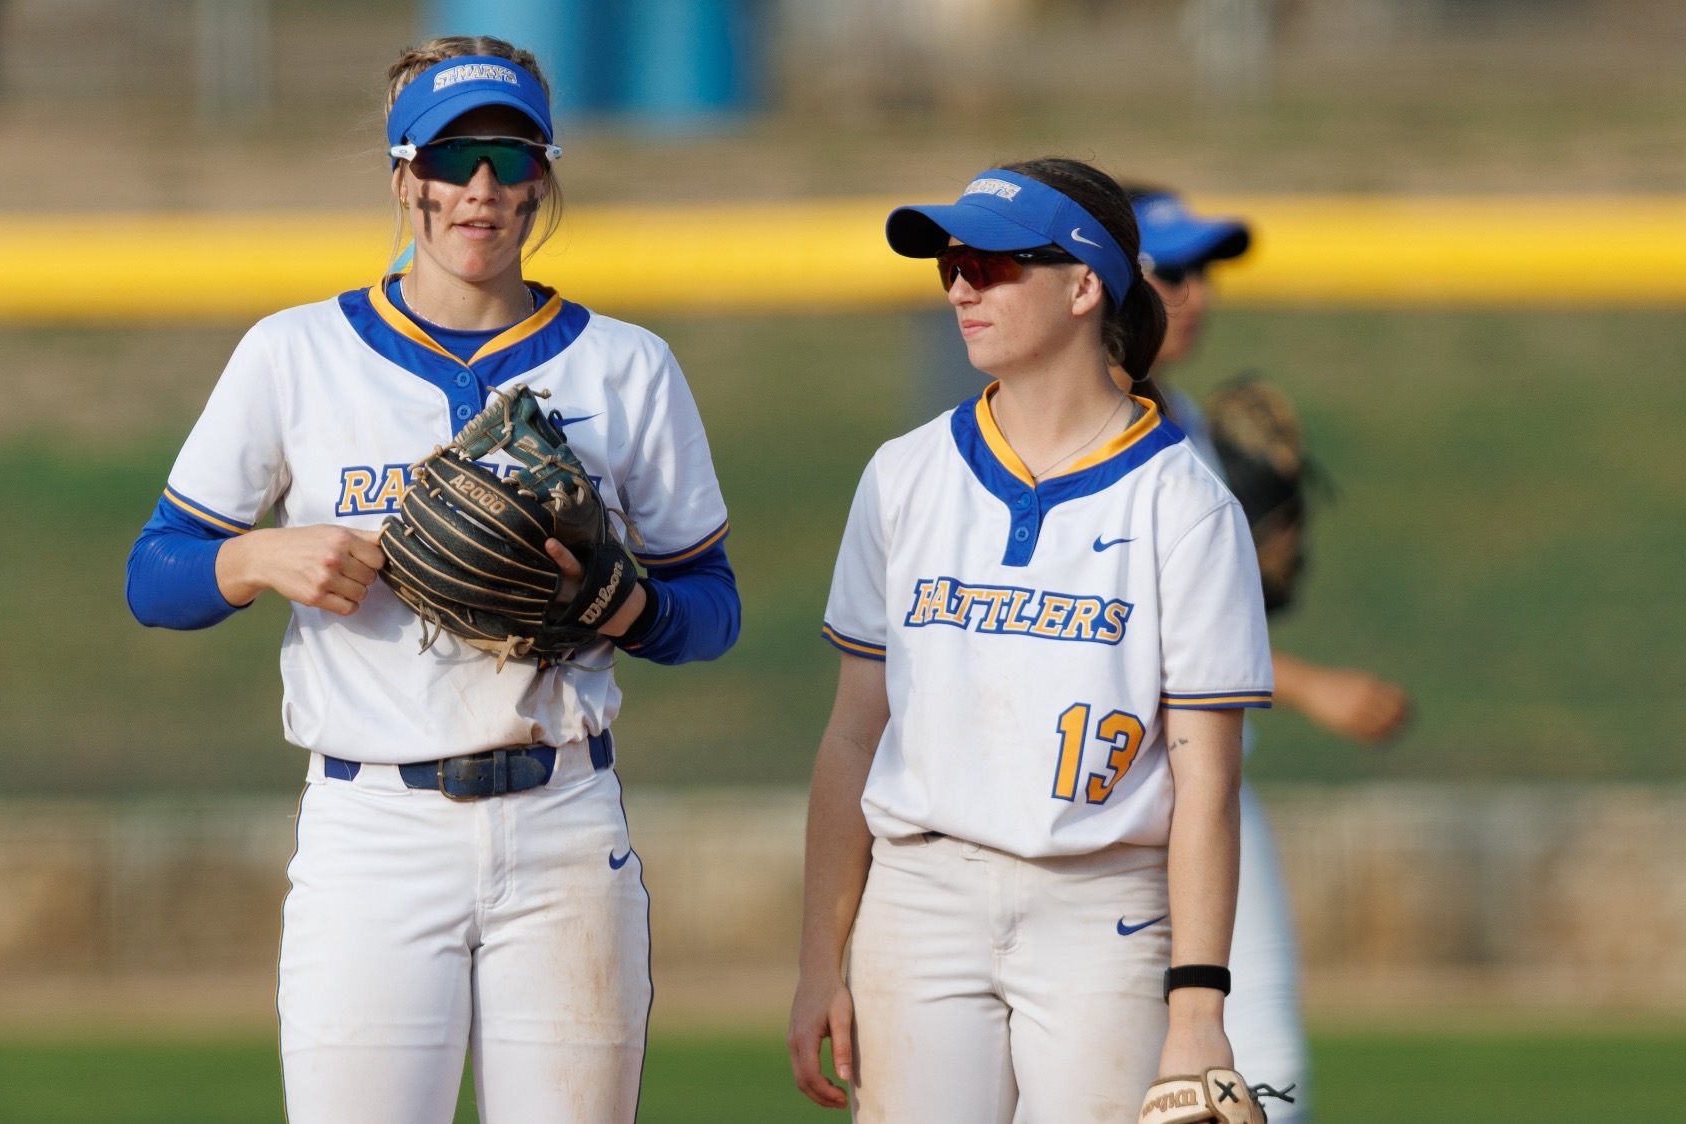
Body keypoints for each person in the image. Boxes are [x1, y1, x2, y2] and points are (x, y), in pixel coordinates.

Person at [124, 36, 740, 1124]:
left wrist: (623, 604)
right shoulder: (296, 353)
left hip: (561, 818)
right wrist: (258, 556)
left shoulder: (623, 365)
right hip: (373, 831)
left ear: (544, 174)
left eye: (509, 156)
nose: (481, 189)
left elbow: (712, 609)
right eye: (452, 159)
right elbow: (154, 575)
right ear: (403, 174)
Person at [788, 157, 1274, 1123]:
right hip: (920, 894)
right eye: (950, 264)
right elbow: (852, 735)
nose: (962, 284)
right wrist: (818, 964)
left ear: (1086, 284)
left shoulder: (1183, 502)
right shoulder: (904, 475)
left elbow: (1207, 780)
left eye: (994, 263)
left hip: (1104, 906)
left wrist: (1199, 1008)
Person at [1130, 188, 1415, 1123]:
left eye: (1203, 271)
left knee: (1262, 1078)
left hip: (1215, 795)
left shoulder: (1191, 428)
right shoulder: (1089, 442)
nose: (1197, 293)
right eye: (1170, 271)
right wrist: (1310, 686)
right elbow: (1137, 633)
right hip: (1118, 807)